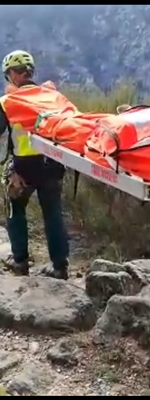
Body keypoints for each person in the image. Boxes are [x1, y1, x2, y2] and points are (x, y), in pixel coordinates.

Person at [0, 50, 69, 280]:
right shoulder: (52, 96)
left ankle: (20, 261)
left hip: (24, 167)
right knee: (53, 213)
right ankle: (60, 267)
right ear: (30, 73)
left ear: (12, 74)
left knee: (15, 208)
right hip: (53, 163)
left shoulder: (8, 102)